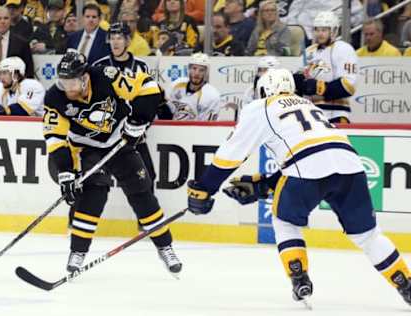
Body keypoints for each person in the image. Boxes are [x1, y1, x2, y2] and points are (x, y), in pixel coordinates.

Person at [186, 68, 411, 307]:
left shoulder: (261, 107)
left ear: (264, 89)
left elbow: (230, 155)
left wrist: (204, 187)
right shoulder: (309, 106)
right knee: (368, 236)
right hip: (351, 166)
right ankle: (405, 283)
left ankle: (299, 277)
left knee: (285, 221)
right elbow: (313, 153)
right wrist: (264, 184)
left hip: (306, 169)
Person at [43, 50, 182, 276]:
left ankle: (164, 246)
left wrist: (138, 121)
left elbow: (149, 88)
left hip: (118, 141)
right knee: (94, 193)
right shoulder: (54, 98)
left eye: (72, 82)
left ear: (85, 77)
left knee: (141, 192)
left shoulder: (106, 76)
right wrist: (66, 172)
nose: (67, 88)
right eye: (63, 81)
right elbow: (55, 138)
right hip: (84, 147)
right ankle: (77, 252)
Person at [92, 22, 157, 192]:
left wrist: (140, 125)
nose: (115, 42)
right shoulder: (100, 66)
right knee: (96, 178)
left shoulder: (141, 66)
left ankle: (149, 216)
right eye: (112, 38)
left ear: (128, 41)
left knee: (148, 175)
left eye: (119, 38)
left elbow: (148, 100)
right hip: (107, 135)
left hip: (133, 133)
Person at [293, 11, 357, 124]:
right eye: (317, 30)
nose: (319, 33)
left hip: (336, 114)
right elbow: (300, 79)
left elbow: (349, 85)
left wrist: (319, 87)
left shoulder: (344, 49)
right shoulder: (309, 51)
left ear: (333, 31)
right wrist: (299, 82)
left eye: (324, 30)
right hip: (311, 114)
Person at [166, 53, 221, 121]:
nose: (197, 73)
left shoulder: (212, 95)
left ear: (206, 73)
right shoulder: (175, 85)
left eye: (201, 70)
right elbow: (167, 112)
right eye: (194, 68)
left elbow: (208, 127)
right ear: (189, 69)